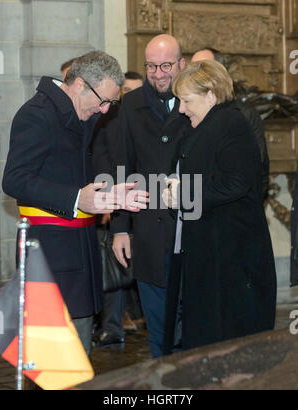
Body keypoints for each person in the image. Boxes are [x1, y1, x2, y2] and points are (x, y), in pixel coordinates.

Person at [2, 50, 149, 355]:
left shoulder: (81, 113)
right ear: (81, 84)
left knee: (78, 352)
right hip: (48, 253)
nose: (106, 110)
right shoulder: (38, 114)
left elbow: (76, 177)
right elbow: (14, 180)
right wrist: (77, 198)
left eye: (112, 103)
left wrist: (109, 193)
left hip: (79, 249)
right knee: (52, 356)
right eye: (104, 100)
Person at [162, 60, 277, 354]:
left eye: (187, 101)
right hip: (212, 255)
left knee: (227, 350)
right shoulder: (205, 125)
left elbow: (236, 183)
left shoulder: (230, 123)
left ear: (211, 95)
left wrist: (185, 192)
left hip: (232, 262)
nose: (182, 109)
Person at [111, 34, 189, 358]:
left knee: (190, 322)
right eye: (151, 66)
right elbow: (121, 166)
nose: (157, 73)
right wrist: (119, 228)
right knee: (157, 327)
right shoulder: (129, 105)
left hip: (190, 225)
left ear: (181, 65)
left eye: (165, 66)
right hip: (148, 230)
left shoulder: (197, 99)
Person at [91, 71, 145, 348]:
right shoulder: (110, 117)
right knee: (112, 264)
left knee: (124, 266)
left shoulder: (143, 118)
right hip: (112, 199)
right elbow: (103, 158)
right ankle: (111, 326)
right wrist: (107, 195)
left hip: (139, 199)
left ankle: (124, 320)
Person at [191, 47, 270, 199]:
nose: (193, 75)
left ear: (219, 74)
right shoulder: (188, 114)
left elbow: (256, 168)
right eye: (192, 68)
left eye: (201, 68)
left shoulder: (245, 115)